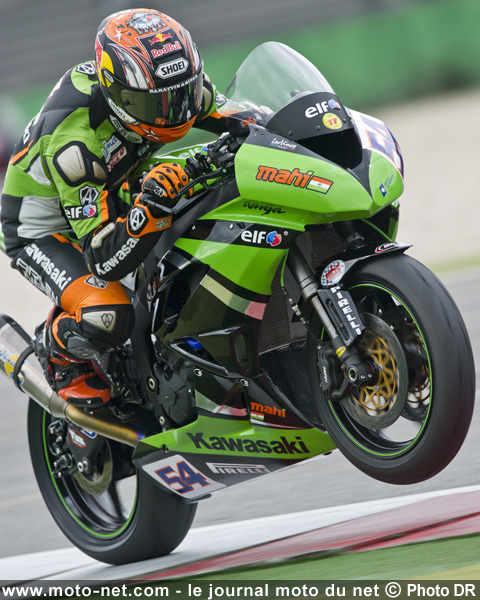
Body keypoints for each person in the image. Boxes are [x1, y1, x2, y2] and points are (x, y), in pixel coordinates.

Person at [0, 8, 227, 407]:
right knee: (108, 315)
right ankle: (56, 350)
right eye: (153, 104)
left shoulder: (170, 85)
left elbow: (248, 120)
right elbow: (104, 258)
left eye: (181, 96)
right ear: (117, 92)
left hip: (113, 187)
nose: (172, 113)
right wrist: (152, 206)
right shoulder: (75, 144)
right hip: (45, 231)